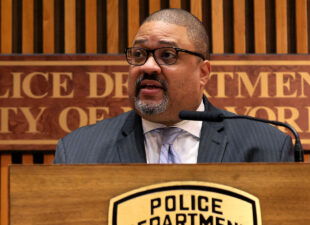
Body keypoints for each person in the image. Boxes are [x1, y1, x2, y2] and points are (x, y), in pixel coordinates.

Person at [54, 8, 293, 164]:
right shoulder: (78, 152)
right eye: (138, 54)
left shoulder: (265, 149)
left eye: (167, 55)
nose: (148, 66)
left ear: (203, 72)